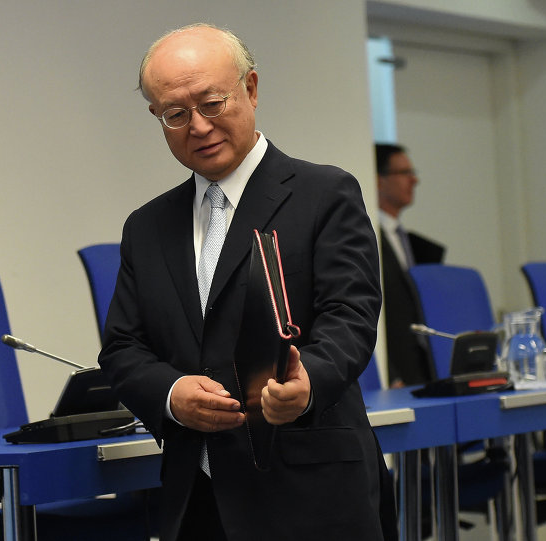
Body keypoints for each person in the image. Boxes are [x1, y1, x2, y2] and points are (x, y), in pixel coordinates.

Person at [98, 23, 395, 541]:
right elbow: (123, 348)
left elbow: (350, 317)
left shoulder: (324, 193)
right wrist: (170, 393)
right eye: (175, 114)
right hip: (197, 500)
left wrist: (307, 385)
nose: (198, 126)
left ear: (250, 89)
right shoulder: (146, 227)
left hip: (311, 492)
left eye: (212, 104)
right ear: (157, 117)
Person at [375, 143, 445, 387]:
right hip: (395, 376)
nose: (414, 180)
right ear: (379, 180)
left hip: (424, 370)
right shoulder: (369, 238)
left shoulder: (409, 241)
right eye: (405, 173)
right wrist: (391, 373)